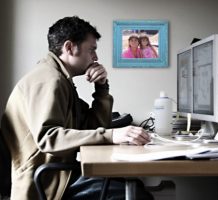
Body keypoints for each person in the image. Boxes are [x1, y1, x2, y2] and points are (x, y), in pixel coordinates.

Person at [1, 16, 152, 200]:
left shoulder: (60, 79)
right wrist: (112, 135)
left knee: (133, 185)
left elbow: (91, 125)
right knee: (137, 193)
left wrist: (102, 88)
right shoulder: (49, 80)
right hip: (48, 182)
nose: (95, 57)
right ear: (69, 47)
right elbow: (49, 138)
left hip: (57, 174)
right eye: (92, 50)